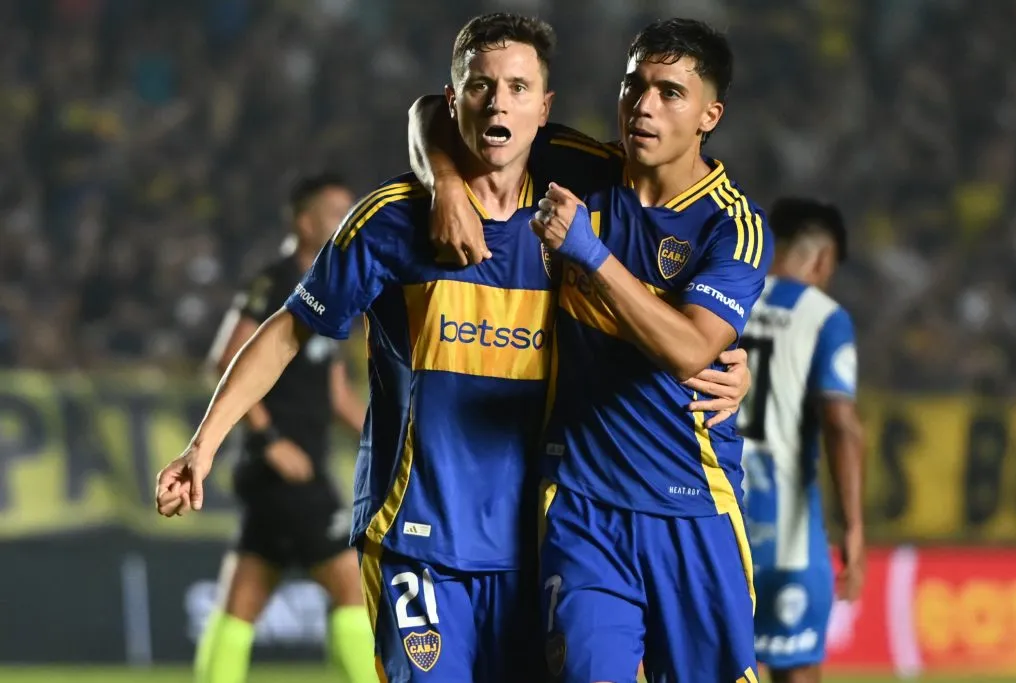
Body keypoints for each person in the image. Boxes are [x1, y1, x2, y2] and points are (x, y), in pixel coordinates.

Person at [157, 14, 748, 683]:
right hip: (419, 543)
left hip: (536, 547)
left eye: (518, 88)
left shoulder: (574, 219)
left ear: (544, 108)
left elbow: (658, 320)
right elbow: (289, 330)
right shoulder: (392, 220)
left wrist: (732, 362)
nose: (498, 102)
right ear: (454, 98)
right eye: (481, 87)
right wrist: (202, 444)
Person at [410, 17, 772, 683]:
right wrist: (446, 184)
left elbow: (691, 349)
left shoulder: (733, 226)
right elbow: (436, 109)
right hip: (583, 507)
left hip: (690, 507)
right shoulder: (582, 166)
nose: (643, 106)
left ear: (709, 114)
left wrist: (590, 255)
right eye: (634, 86)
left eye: (670, 93)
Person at [194, 173, 375, 683]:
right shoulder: (275, 283)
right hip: (285, 467)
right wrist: (269, 440)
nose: (347, 219)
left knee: (244, 594)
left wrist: (390, 437)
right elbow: (226, 359)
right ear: (304, 220)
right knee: (349, 584)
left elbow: (337, 394)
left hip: (299, 465)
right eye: (335, 210)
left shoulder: (331, 290)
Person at [738, 198, 865, 683]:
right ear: (823, 259)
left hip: (716, 519)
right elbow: (840, 422)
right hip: (788, 533)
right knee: (796, 672)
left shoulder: (723, 296)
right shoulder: (824, 316)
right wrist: (853, 526)